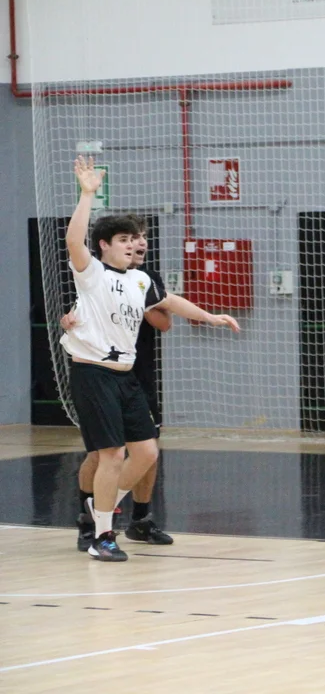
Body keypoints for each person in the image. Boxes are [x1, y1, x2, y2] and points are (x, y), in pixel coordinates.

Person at [64, 215, 240, 551]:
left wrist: (209, 316)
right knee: (111, 455)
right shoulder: (93, 273)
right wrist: (86, 194)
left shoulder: (141, 279)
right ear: (104, 245)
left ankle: (101, 507)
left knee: (146, 452)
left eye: (135, 238)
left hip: (127, 375)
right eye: (124, 239)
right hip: (94, 374)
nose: (133, 244)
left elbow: (170, 302)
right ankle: (102, 535)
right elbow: (74, 241)